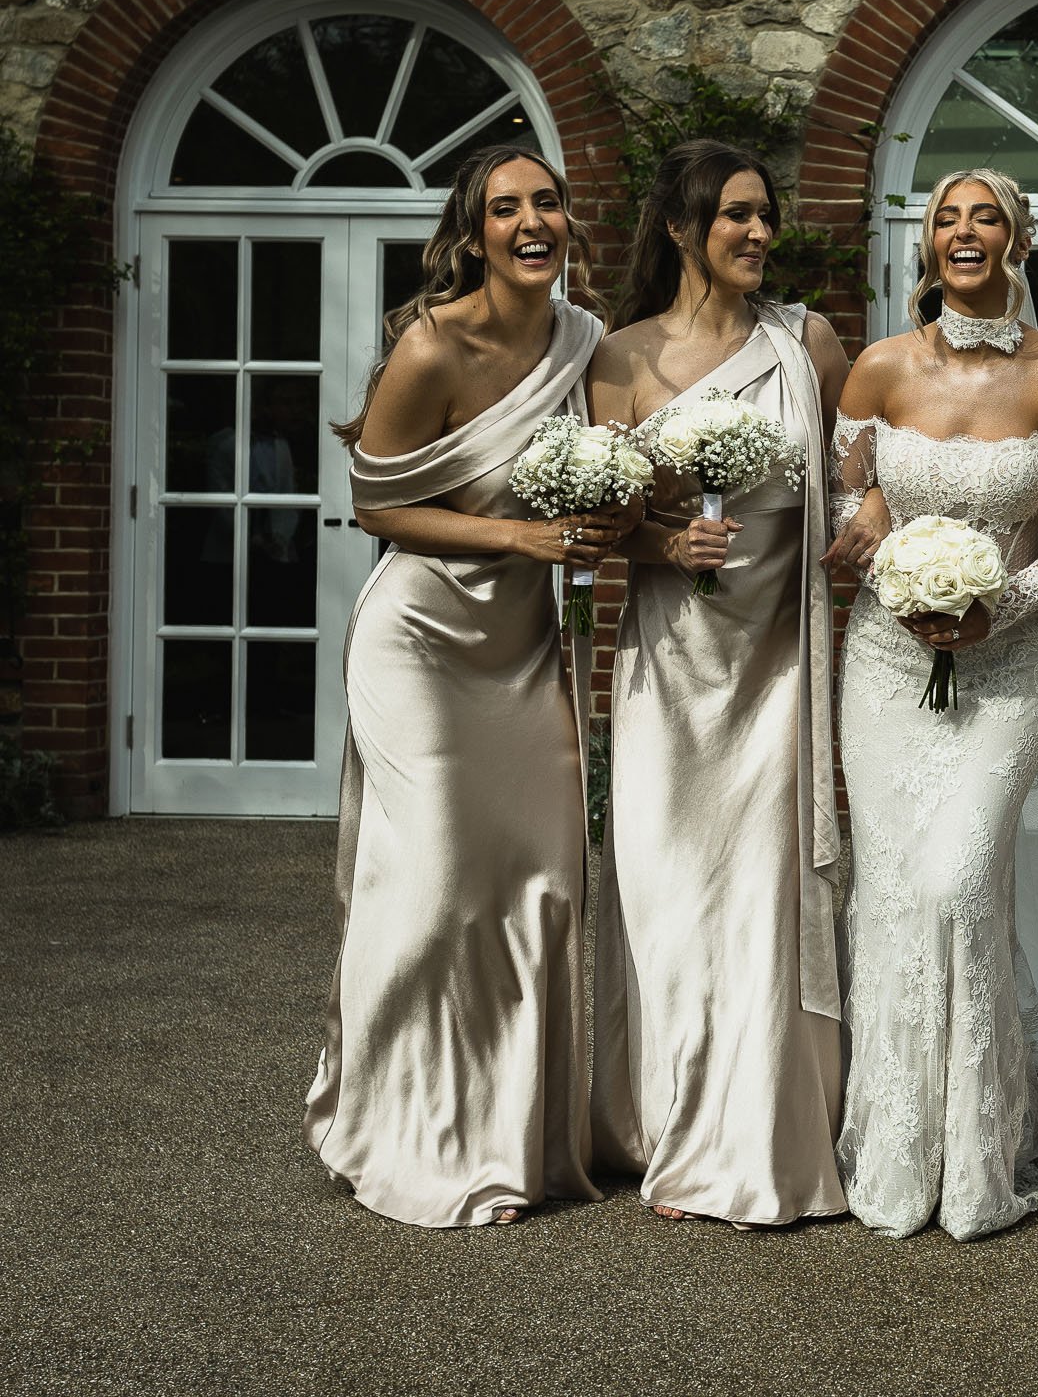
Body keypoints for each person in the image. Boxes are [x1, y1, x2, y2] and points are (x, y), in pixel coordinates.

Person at [306, 145, 628, 1227]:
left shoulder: (584, 340)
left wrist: (618, 519)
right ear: (474, 231)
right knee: (438, 879)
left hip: (525, 640)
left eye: (547, 202)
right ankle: (390, 1122)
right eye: (507, 208)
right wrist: (517, 532)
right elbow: (375, 503)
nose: (532, 221)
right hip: (422, 637)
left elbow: (618, 471)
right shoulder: (431, 345)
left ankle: (512, 1133)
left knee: (538, 878)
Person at [827, 168, 1038, 1240]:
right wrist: (894, 569)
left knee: (958, 880)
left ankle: (984, 1153)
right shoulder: (880, 366)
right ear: (928, 244)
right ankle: (897, 1149)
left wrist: (1007, 603)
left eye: (985, 216)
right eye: (947, 217)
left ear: (1018, 238)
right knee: (894, 890)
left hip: (1009, 663)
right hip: (886, 665)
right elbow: (848, 491)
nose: (964, 232)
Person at [587, 140, 848, 1226]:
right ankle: (665, 1118)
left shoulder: (808, 340)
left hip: (781, 655)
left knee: (761, 896)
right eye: (736, 216)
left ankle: (752, 1136)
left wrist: (871, 521)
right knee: (666, 886)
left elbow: (851, 472)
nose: (757, 234)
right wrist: (658, 547)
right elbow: (603, 514)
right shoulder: (620, 354)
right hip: (671, 661)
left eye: (765, 217)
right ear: (685, 228)